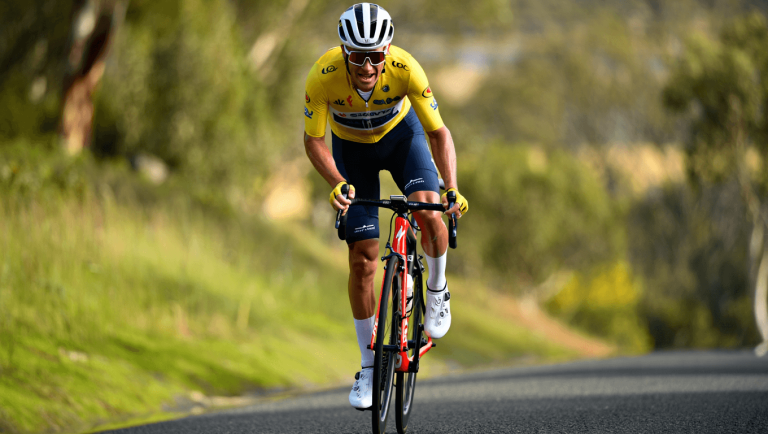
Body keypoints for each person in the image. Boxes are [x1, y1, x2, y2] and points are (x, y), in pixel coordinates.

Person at [302, 3, 468, 409]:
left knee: (428, 210)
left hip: (401, 141)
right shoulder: (322, 76)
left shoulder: (406, 68)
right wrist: (337, 182)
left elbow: (439, 133)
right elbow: (314, 140)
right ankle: (369, 365)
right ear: (344, 52)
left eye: (375, 56)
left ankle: (437, 287)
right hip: (351, 154)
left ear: (387, 51)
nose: (366, 66)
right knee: (363, 259)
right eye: (357, 56)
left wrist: (451, 188)